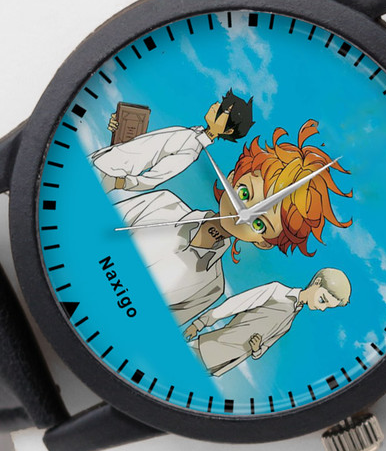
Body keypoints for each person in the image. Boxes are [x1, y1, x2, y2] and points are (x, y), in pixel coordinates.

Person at [113, 119, 353, 326]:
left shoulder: (211, 286)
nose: (242, 214)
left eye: (259, 225)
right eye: (244, 193)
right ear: (231, 178)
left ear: (264, 242)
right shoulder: (162, 203)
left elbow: (153, 326)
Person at [183, 268, 352, 377]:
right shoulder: (276, 291)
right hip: (209, 347)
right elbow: (235, 304)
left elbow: (264, 348)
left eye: (327, 307)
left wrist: (257, 348)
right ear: (316, 283)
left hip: (223, 364)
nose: (321, 308)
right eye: (322, 300)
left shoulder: (290, 321)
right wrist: (200, 323)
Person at [91, 89, 254, 192]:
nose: (215, 105)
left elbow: (154, 178)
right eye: (221, 102)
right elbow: (145, 147)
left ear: (229, 130)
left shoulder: (191, 149)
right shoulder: (189, 133)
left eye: (224, 109)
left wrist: (118, 183)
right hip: (102, 158)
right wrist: (119, 128)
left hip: (109, 174)